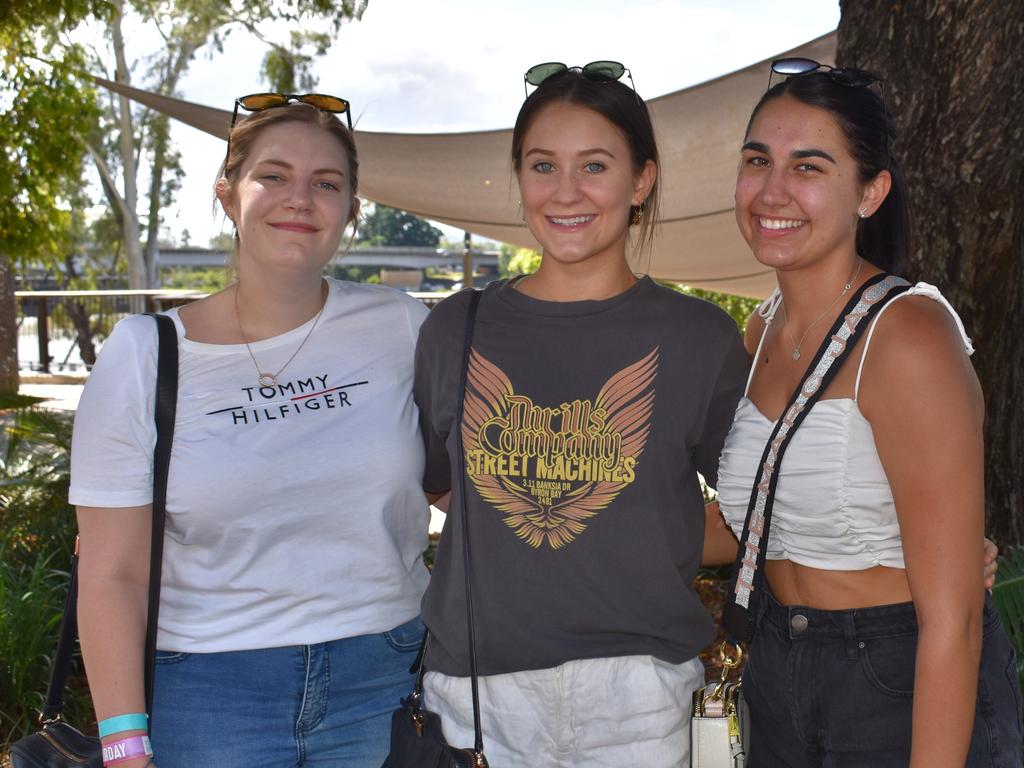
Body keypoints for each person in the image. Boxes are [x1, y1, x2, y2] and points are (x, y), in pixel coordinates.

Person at [70, 97, 431, 768]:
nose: (300, 198)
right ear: (229, 196)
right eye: (274, 175)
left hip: (382, 681)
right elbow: (112, 571)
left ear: (351, 210)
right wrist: (124, 743)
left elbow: (464, 481)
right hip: (209, 694)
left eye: (327, 183)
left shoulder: (402, 328)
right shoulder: (145, 354)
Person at [412, 63, 751, 766]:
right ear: (520, 177)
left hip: (638, 700)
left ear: (642, 180)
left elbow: (757, 511)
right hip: (479, 699)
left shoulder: (697, 337)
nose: (566, 192)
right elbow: (442, 485)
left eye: (594, 165)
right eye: (543, 165)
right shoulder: (456, 328)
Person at [713, 62, 1023, 766]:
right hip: (776, 667)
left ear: (871, 191)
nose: (772, 190)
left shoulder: (908, 336)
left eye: (809, 167)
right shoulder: (760, 333)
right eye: (758, 160)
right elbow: (752, 521)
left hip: (900, 676)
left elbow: (954, 620)